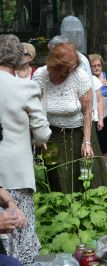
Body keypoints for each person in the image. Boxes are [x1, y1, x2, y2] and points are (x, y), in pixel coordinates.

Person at [0, 34, 51, 265]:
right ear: (18, 57)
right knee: (20, 241)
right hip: (16, 174)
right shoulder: (25, 87)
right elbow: (42, 134)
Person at [32, 43, 95, 193]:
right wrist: (38, 135)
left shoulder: (80, 76)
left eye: (72, 68)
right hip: (51, 137)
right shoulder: (40, 76)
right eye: (65, 70)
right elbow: (32, 108)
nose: (69, 72)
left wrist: (87, 142)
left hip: (78, 135)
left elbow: (87, 111)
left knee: (83, 179)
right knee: (55, 181)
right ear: (54, 66)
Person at [89, 54, 107, 161]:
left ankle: (106, 167)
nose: (97, 68)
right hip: (92, 114)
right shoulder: (87, 78)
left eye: (99, 65)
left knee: (105, 144)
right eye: (94, 66)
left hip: (106, 113)